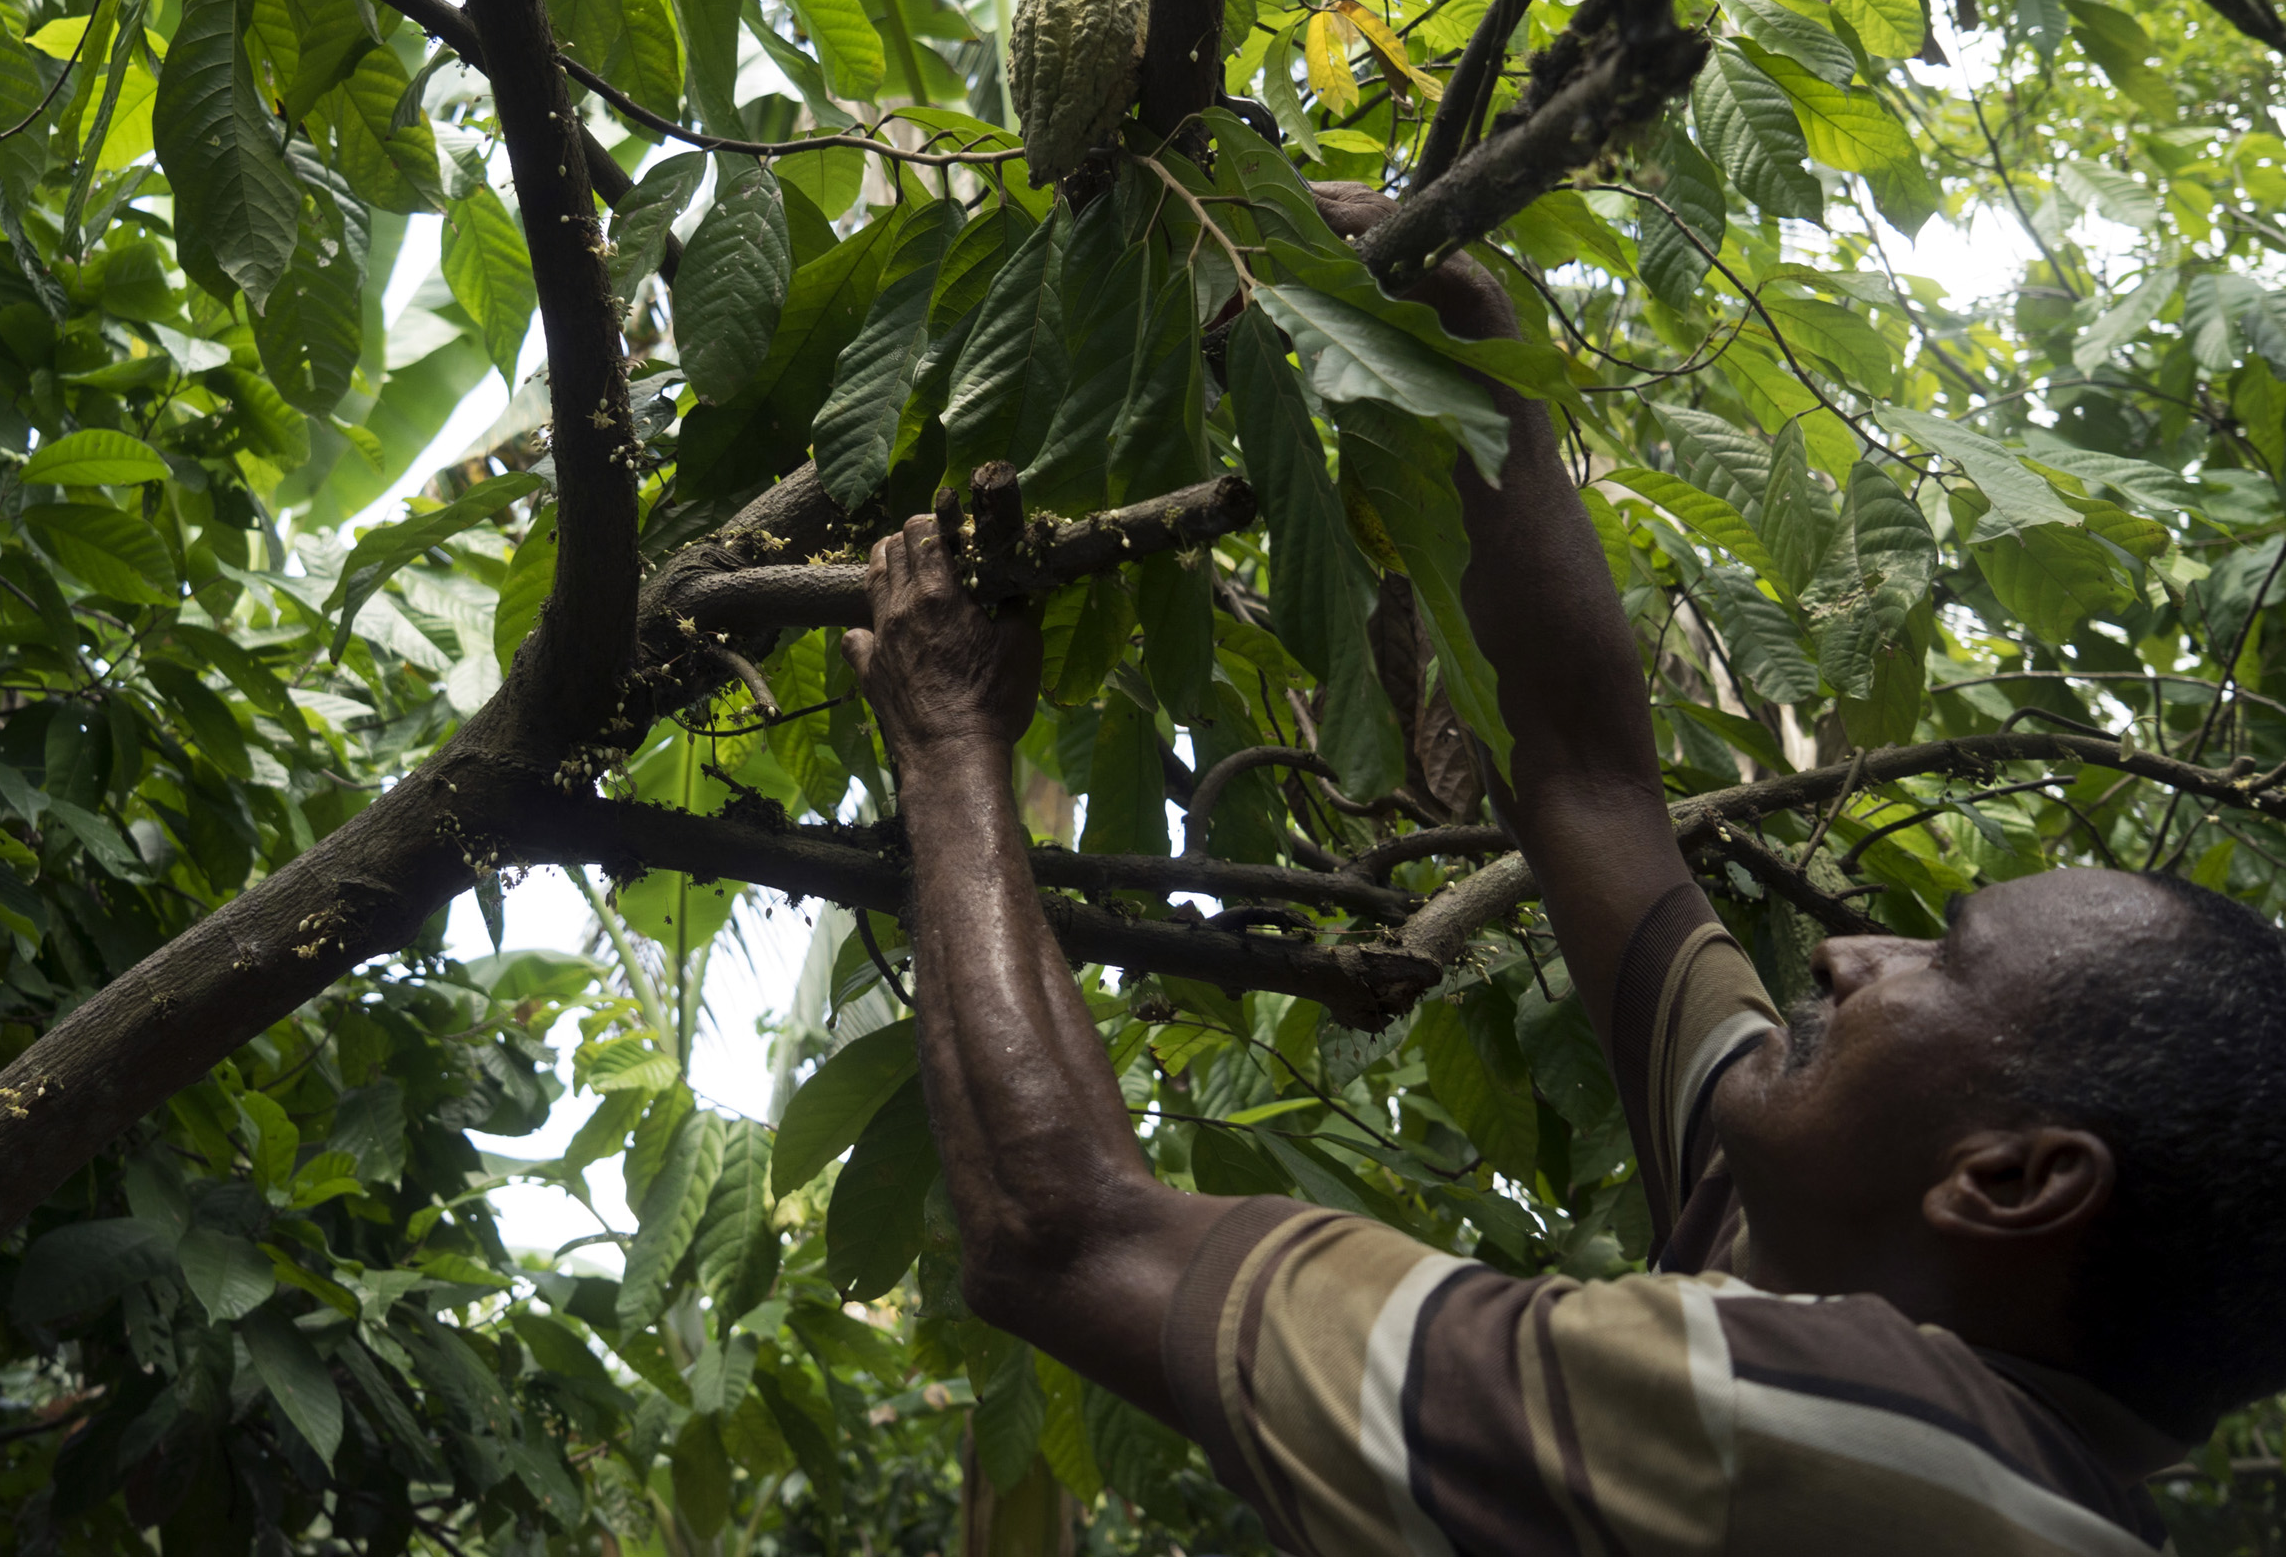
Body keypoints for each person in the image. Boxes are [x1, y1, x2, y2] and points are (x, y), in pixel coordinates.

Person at [833, 182, 2286, 1553]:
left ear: (2016, 1179)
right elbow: (1589, 788)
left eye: (1941, 962)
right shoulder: (1883, 1294)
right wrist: (1469, 346)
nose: (1853, 952)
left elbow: (1064, 1233)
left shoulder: (1796, 1432)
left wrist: (954, 747)